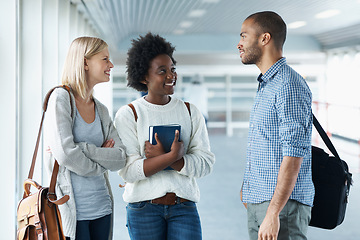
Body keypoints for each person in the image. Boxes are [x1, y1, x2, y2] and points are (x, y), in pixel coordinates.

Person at [114, 32, 215, 240]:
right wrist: (170, 158)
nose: (171, 75)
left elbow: (205, 163)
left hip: (184, 207)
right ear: (144, 76)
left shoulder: (190, 111)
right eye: (162, 71)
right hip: (143, 209)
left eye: (172, 69)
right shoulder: (129, 114)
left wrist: (169, 160)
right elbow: (128, 172)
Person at [237, 11, 314, 240]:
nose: (239, 44)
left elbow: (293, 154)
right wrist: (248, 188)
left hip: (281, 208)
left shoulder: (288, 85)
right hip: (260, 201)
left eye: (243, 36)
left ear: (264, 38)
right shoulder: (268, 84)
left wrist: (273, 213)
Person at [44, 36, 127, 240]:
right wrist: (101, 159)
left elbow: (120, 157)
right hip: (72, 210)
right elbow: (65, 155)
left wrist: (82, 148)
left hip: (103, 208)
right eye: (105, 59)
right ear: (85, 62)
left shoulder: (102, 110)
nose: (111, 64)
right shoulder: (60, 99)